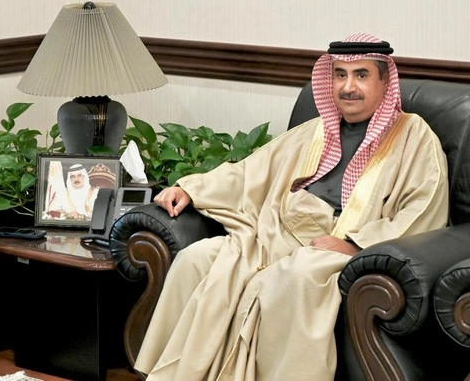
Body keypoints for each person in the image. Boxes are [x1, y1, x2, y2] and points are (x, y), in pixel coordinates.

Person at [134, 33, 449, 381]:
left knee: (294, 277)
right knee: (196, 259)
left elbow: (423, 208)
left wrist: (354, 245)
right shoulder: (316, 130)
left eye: (361, 75)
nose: (348, 87)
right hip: (276, 229)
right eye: (340, 75)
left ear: (384, 81)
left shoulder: (413, 136)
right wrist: (190, 189)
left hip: (338, 243)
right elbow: (252, 171)